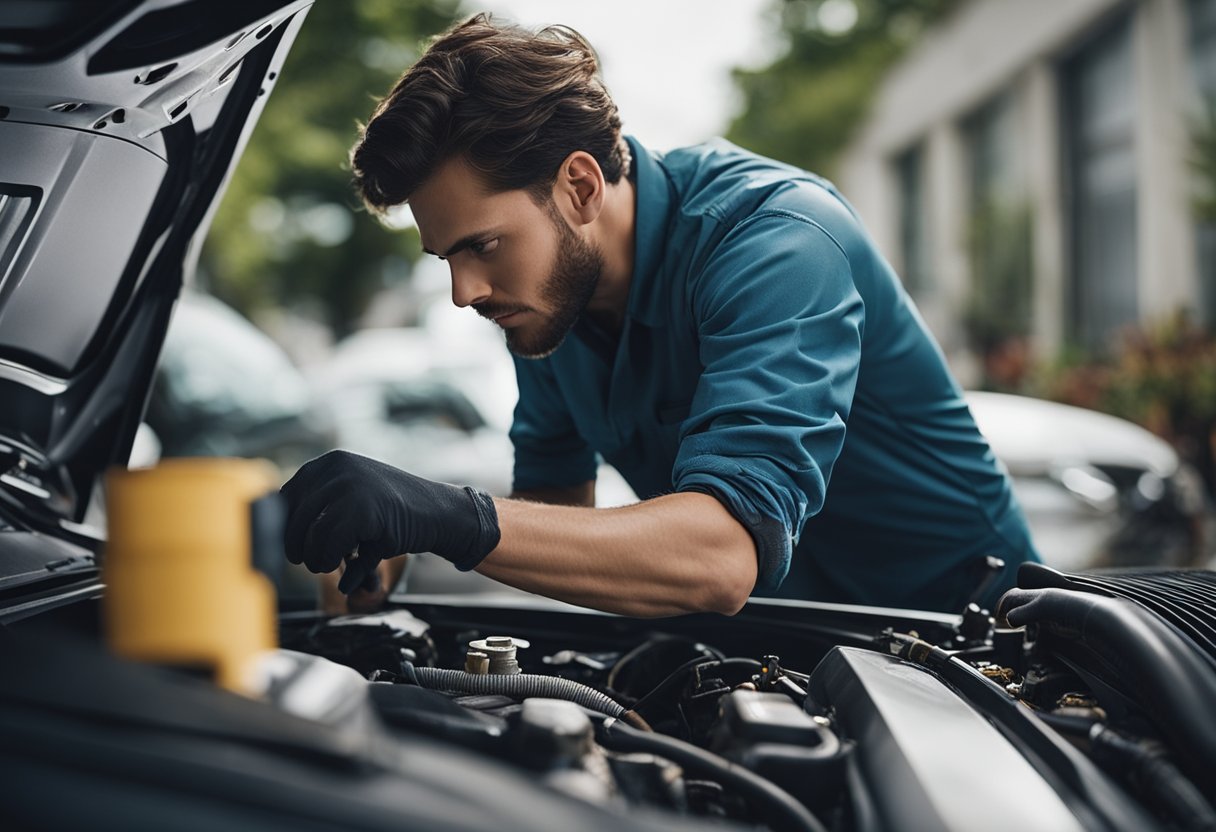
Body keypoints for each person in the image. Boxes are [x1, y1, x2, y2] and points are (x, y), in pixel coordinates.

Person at [279, 13, 1040, 617]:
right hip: (793, 656)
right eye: (446, 257)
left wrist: (445, 516)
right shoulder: (545, 301)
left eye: (481, 245)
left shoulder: (778, 242)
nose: (464, 292)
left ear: (579, 187)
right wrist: (402, 527)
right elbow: (553, 520)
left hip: (972, 652)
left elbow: (720, 558)